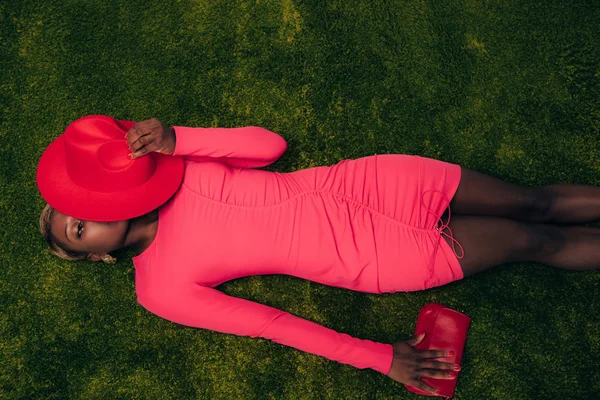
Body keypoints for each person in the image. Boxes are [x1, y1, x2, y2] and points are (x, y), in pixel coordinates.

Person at [37, 115, 600, 396]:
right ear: (96, 258)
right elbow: (270, 325)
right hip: (374, 256)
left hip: (368, 184)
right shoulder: (157, 289)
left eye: (80, 203)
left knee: (535, 201)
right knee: (533, 241)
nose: (90, 215)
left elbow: (269, 147)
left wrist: (176, 139)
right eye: (78, 227)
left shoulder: (175, 167)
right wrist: (381, 358)